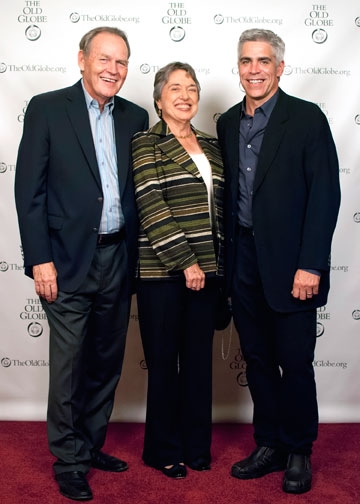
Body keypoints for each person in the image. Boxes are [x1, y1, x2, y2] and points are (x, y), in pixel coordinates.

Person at [15, 26, 149, 501]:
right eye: (104, 59)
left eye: (121, 61)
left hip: (119, 254)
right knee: (70, 364)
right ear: (82, 59)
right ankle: (68, 460)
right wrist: (39, 261)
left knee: (106, 361)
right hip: (67, 258)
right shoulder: (48, 108)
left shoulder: (136, 116)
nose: (113, 69)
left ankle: (90, 446)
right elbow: (27, 193)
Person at [216, 29, 340, 494]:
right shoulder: (228, 123)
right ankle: (267, 443)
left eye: (263, 61)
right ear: (239, 66)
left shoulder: (307, 119)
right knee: (259, 359)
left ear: (280, 67)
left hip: (293, 265)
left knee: (295, 360)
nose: (254, 69)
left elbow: (325, 196)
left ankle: (298, 449)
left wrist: (311, 265)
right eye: (246, 60)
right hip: (243, 261)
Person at [132, 62, 225, 479]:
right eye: (174, 88)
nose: (185, 94)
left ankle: (196, 446)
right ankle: (162, 449)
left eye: (191, 87)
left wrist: (211, 266)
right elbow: (151, 206)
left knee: (199, 365)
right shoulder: (145, 143)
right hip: (163, 275)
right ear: (158, 99)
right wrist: (185, 261)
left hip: (209, 272)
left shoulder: (211, 143)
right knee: (165, 364)